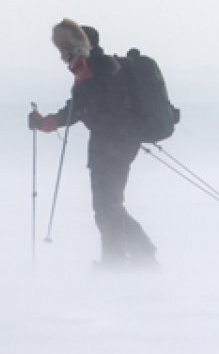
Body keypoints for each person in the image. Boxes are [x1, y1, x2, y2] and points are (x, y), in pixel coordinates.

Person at [28, 19, 157, 270]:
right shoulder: (92, 69)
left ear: (80, 45)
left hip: (113, 146)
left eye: (65, 49)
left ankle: (121, 261)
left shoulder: (98, 68)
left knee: (106, 206)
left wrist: (48, 123)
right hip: (111, 144)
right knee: (109, 205)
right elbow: (79, 108)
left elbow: (84, 109)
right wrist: (47, 123)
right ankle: (134, 256)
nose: (63, 56)